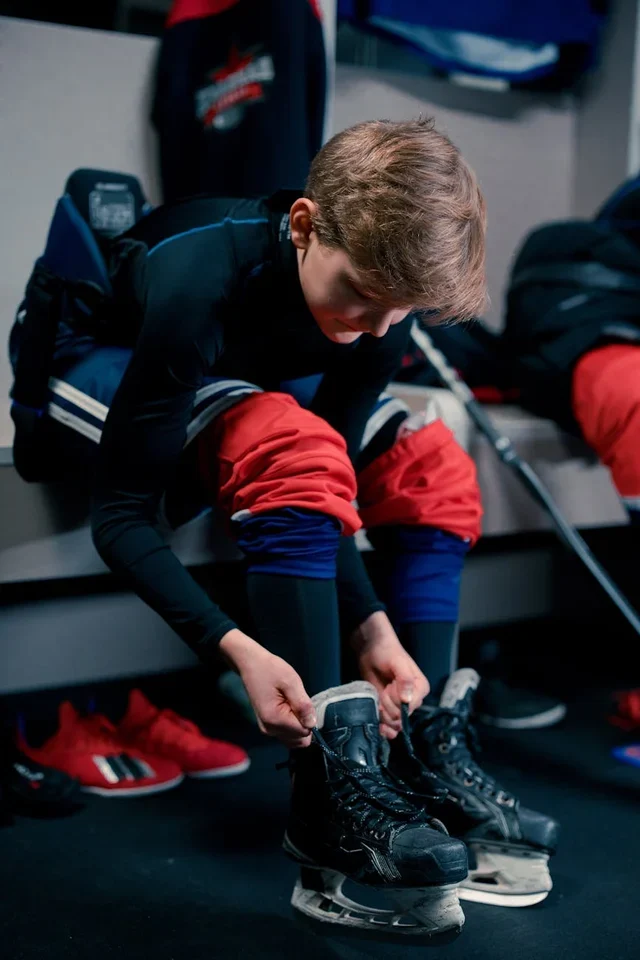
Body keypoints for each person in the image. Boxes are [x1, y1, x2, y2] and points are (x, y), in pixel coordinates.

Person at [9, 117, 557, 937]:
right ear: (304, 226)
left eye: (398, 310)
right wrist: (236, 646)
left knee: (431, 466)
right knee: (287, 439)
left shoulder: (377, 314)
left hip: (244, 363)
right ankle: (328, 803)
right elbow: (120, 518)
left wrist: (371, 627)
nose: (378, 330)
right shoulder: (196, 276)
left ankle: (415, 755)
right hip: (108, 351)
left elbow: (330, 471)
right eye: (364, 298)